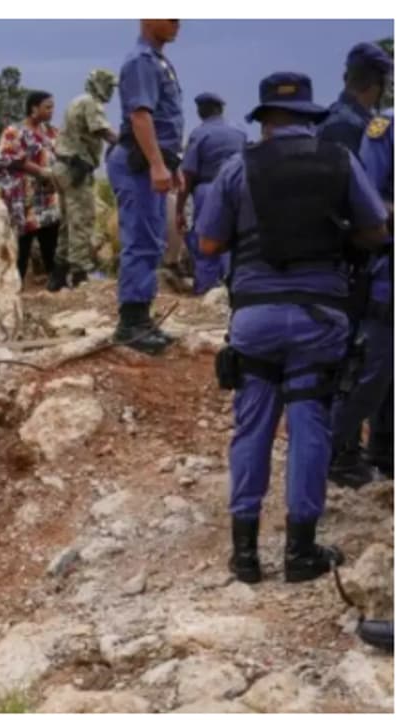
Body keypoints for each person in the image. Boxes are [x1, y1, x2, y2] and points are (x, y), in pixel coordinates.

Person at [196, 72, 388, 585]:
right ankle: (301, 554)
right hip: (318, 320)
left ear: (265, 123)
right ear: (310, 119)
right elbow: (376, 231)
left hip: (255, 321)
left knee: (252, 427)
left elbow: (209, 246)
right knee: (309, 426)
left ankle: (245, 555)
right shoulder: (340, 160)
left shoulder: (238, 167)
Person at [321, 42, 394, 488]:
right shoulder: (350, 127)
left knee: (384, 364)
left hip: (370, 257)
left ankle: (380, 447)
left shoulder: (362, 123)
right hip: (361, 262)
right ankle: (338, 452)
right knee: (363, 362)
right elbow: (362, 203)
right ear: (378, 82)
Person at [108, 19, 185, 355]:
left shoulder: (158, 61)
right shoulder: (140, 61)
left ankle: (143, 317)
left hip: (152, 162)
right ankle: (130, 325)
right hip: (138, 163)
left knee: (152, 241)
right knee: (139, 240)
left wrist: (171, 165)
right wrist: (156, 163)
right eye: (168, 16)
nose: (176, 22)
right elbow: (141, 116)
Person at [50, 69, 117, 291]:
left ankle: (58, 275)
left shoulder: (76, 101)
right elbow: (103, 130)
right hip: (76, 168)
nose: (111, 91)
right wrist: (126, 143)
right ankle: (79, 274)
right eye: (109, 86)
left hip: (63, 166)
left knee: (68, 222)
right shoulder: (92, 103)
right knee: (82, 220)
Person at [176, 93, 247, 295]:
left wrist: (180, 208)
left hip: (208, 188)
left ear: (201, 110)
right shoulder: (239, 132)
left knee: (205, 239)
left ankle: (206, 287)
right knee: (233, 239)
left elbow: (188, 173)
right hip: (239, 188)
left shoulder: (199, 134)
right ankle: (231, 287)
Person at [0, 91, 62, 286]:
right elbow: (9, 157)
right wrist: (41, 171)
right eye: (47, 107)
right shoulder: (14, 132)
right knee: (23, 243)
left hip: (48, 198)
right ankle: (15, 288)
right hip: (25, 198)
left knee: (51, 241)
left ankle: (56, 289)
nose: (51, 111)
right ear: (34, 109)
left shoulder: (51, 132)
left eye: (52, 107)